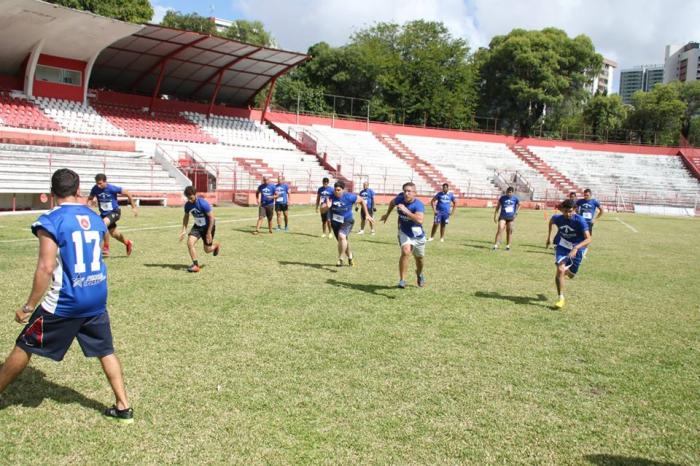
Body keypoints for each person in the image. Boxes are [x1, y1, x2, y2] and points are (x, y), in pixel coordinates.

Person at [0, 168, 133, 422]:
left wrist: (28, 307)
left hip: (65, 302)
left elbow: (46, 267)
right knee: (105, 350)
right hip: (96, 297)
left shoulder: (51, 220)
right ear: (78, 190)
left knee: (25, 344)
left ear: (52, 193)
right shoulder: (95, 218)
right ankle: (124, 406)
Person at [546, 198, 592, 309]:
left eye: (570, 211)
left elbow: (588, 239)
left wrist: (576, 248)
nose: (568, 214)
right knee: (560, 269)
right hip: (562, 246)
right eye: (566, 211)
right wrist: (549, 237)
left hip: (577, 248)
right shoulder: (557, 218)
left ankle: (564, 273)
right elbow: (551, 222)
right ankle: (561, 298)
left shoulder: (579, 220)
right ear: (562, 210)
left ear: (574, 209)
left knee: (571, 275)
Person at [380, 182, 426, 289]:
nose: (406, 193)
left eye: (409, 191)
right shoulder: (400, 199)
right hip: (404, 231)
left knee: (419, 259)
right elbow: (392, 203)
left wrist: (406, 211)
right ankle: (402, 280)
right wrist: (387, 214)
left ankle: (419, 274)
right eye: (405, 191)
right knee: (405, 251)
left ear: (415, 193)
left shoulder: (418, 204)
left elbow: (420, 220)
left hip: (417, 234)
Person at [321, 181, 371, 266]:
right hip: (335, 223)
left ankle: (340, 259)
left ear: (343, 190)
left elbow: (362, 200)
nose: (336, 191)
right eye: (335, 190)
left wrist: (367, 214)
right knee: (343, 240)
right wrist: (327, 207)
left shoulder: (349, 196)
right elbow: (322, 210)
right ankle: (350, 257)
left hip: (347, 221)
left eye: (338, 190)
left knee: (342, 236)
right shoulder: (330, 197)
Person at [88, 173, 137, 257]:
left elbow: (128, 193)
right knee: (114, 234)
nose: (98, 185)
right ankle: (127, 243)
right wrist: (89, 205)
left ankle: (106, 247)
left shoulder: (112, 188)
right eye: (97, 183)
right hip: (104, 214)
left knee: (103, 224)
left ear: (105, 182)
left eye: (100, 183)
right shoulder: (95, 188)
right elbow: (90, 198)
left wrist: (133, 207)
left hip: (115, 212)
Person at [179, 186, 221, 273]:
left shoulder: (203, 203)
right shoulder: (188, 205)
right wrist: (184, 229)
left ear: (195, 194)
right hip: (198, 226)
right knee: (190, 243)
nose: (189, 200)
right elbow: (186, 216)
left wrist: (209, 232)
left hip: (208, 226)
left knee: (207, 250)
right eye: (187, 198)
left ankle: (216, 246)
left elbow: (212, 218)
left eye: (190, 197)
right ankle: (195, 265)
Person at [493, 186, 520, 251]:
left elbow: (519, 205)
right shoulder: (502, 198)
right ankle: (495, 246)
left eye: (510, 192)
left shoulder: (515, 198)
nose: (508, 193)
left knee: (509, 231)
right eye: (507, 192)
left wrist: (516, 212)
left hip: (510, 217)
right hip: (503, 216)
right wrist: (495, 216)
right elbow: (497, 207)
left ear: (512, 192)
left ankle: (507, 246)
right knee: (500, 229)